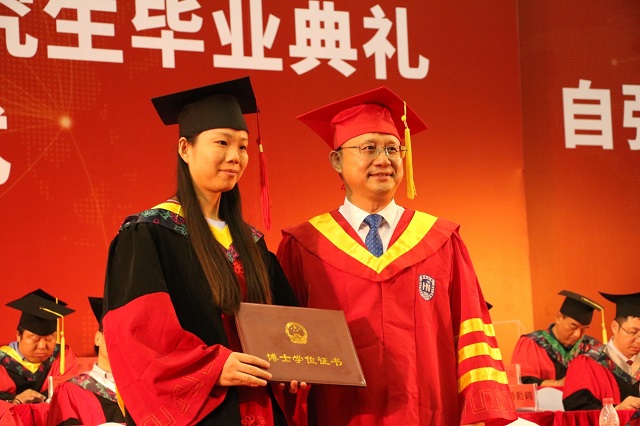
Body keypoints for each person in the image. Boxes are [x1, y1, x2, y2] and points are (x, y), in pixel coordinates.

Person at [276, 86, 517, 425]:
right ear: (337, 161)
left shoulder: (441, 240)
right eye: (369, 148)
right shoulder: (305, 245)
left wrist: (482, 412)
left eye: (393, 149)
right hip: (340, 415)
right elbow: (284, 340)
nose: (383, 160)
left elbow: (471, 327)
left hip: (429, 415)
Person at [102, 77, 307, 426]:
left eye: (243, 146)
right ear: (185, 148)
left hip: (261, 407)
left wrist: (295, 366)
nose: (235, 157)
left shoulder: (253, 245)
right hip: (205, 412)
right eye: (222, 143)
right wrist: (212, 366)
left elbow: (284, 326)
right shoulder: (149, 233)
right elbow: (139, 336)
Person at [0, 289, 77, 425]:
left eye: (49, 339)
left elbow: (70, 396)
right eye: (34, 339)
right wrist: (15, 400)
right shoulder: (3, 362)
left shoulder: (62, 357)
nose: (42, 346)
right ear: (18, 335)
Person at [48, 296, 125, 425]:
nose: (118, 342)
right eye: (112, 334)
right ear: (98, 338)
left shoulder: (145, 390)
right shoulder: (71, 391)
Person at [563, 292, 640, 412]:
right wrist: (615, 411)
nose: (639, 340)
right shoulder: (587, 364)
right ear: (615, 327)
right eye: (633, 332)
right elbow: (577, 411)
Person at [510, 290, 602, 387]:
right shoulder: (532, 343)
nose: (577, 335)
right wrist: (558, 384)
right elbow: (522, 382)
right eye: (573, 327)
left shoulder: (592, 348)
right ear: (558, 317)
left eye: (583, 330)